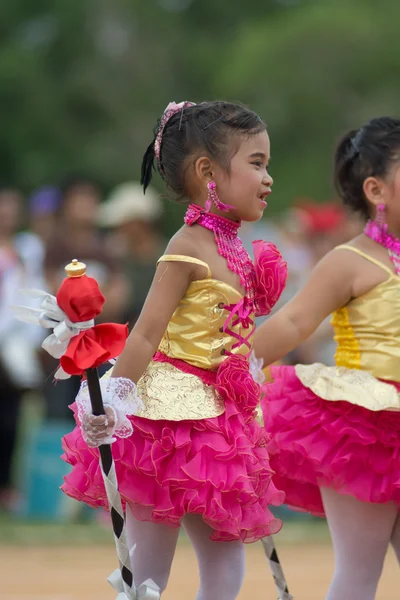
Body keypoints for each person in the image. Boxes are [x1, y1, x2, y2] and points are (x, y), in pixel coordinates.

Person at [61, 100, 287, 599]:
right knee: (148, 567)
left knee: (226, 558)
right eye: (256, 163)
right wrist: (110, 399)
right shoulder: (187, 245)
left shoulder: (234, 248)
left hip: (219, 424)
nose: (269, 178)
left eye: (266, 164)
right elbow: (145, 334)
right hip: (164, 418)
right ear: (209, 172)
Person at [254, 116, 400, 600]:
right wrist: (227, 363)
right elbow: (295, 323)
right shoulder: (351, 261)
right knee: (360, 573)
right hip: (365, 428)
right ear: (377, 189)